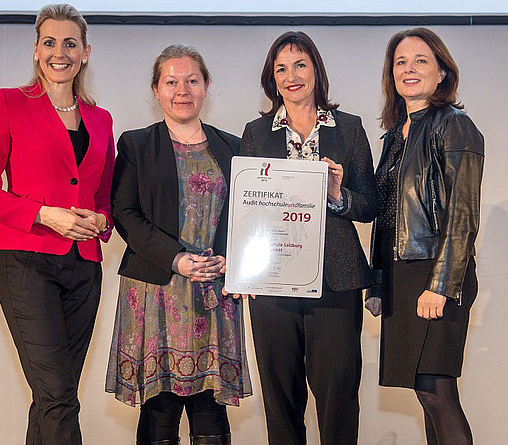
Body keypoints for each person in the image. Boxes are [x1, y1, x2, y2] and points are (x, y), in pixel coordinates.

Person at [0, 4, 114, 444]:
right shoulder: (8, 102)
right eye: (49, 42)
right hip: (26, 263)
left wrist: (100, 220)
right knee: (58, 397)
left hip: (84, 268)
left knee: (53, 396)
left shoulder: (101, 119)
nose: (59, 52)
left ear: (85, 52)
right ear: (35, 50)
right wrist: (44, 214)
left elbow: (105, 201)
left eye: (70, 43)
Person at [105, 44, 251, 445]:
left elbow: (250, 213)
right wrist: (177, 259)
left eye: (191, 80)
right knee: (160, 405)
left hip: (215, 292)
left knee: (209, 404)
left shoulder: (234, 147)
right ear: (156, 90)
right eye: (171, 81)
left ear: (206, 87)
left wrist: (232, 257)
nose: (182, 90)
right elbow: (125, 213)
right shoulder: (135, 145)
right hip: (156, 290)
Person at [238, 31, 377, 444]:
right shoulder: (256, 132)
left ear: (316, 71)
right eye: (281, 68)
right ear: (272, 78)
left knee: (338, 398)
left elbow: (370, 205)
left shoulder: (348, 128)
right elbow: (245, 211)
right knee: (281, 401)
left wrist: (338, 196)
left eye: (300, 65)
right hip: (272, 283)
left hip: (336, 282)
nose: (291, 75)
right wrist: (244, 273)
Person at [365, 28, 484, 445]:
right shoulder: (396, 134)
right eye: (400, 62)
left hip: (436, 276)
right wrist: (378, 281)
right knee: (424, 393)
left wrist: (441, 284)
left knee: (437, 391)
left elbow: (463, 216)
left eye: (420, 60)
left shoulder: (455, 126)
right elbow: (387, 214)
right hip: (402, 278)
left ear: (441, 73)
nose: (409, 69)